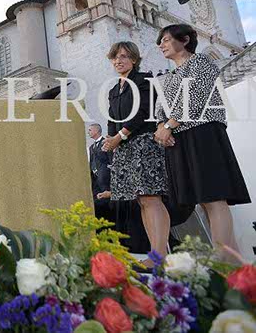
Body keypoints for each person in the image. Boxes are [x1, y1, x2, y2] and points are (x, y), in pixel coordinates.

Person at [154, 24, 251, 262]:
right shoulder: (170, 76)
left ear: (185, 40)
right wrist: (161, 127)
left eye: (166, 39)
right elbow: (160, 108)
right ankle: (235, 266)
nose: (161, 45)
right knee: (204, 201)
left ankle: (220, 260)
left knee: (214, 197)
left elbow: (197, 97)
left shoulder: (201, 62)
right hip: (180, 139)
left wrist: (169, 126)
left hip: (203, 134)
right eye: (160, 41)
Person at [102, 41, 171, 263]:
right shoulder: (114, 90)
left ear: (134, 59)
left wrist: (119, 136)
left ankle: (160, 255)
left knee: (151, 198)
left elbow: (143, 111)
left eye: (123, 56)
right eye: (115, 57)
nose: (118, 61)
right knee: (141, 201)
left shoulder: (143, 80)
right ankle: (155, 255)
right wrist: (110, 139)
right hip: (124, 148)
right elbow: (112, 118)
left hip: (144, 144)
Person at [88, 123, 113, 222]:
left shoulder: (105, 143)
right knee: (97, 202)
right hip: (96, 180)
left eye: (90, 130)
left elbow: (110, 159)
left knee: (106, 202)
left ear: (96, 131)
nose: (88, 132)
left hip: (105, 179)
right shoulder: (91, 147)